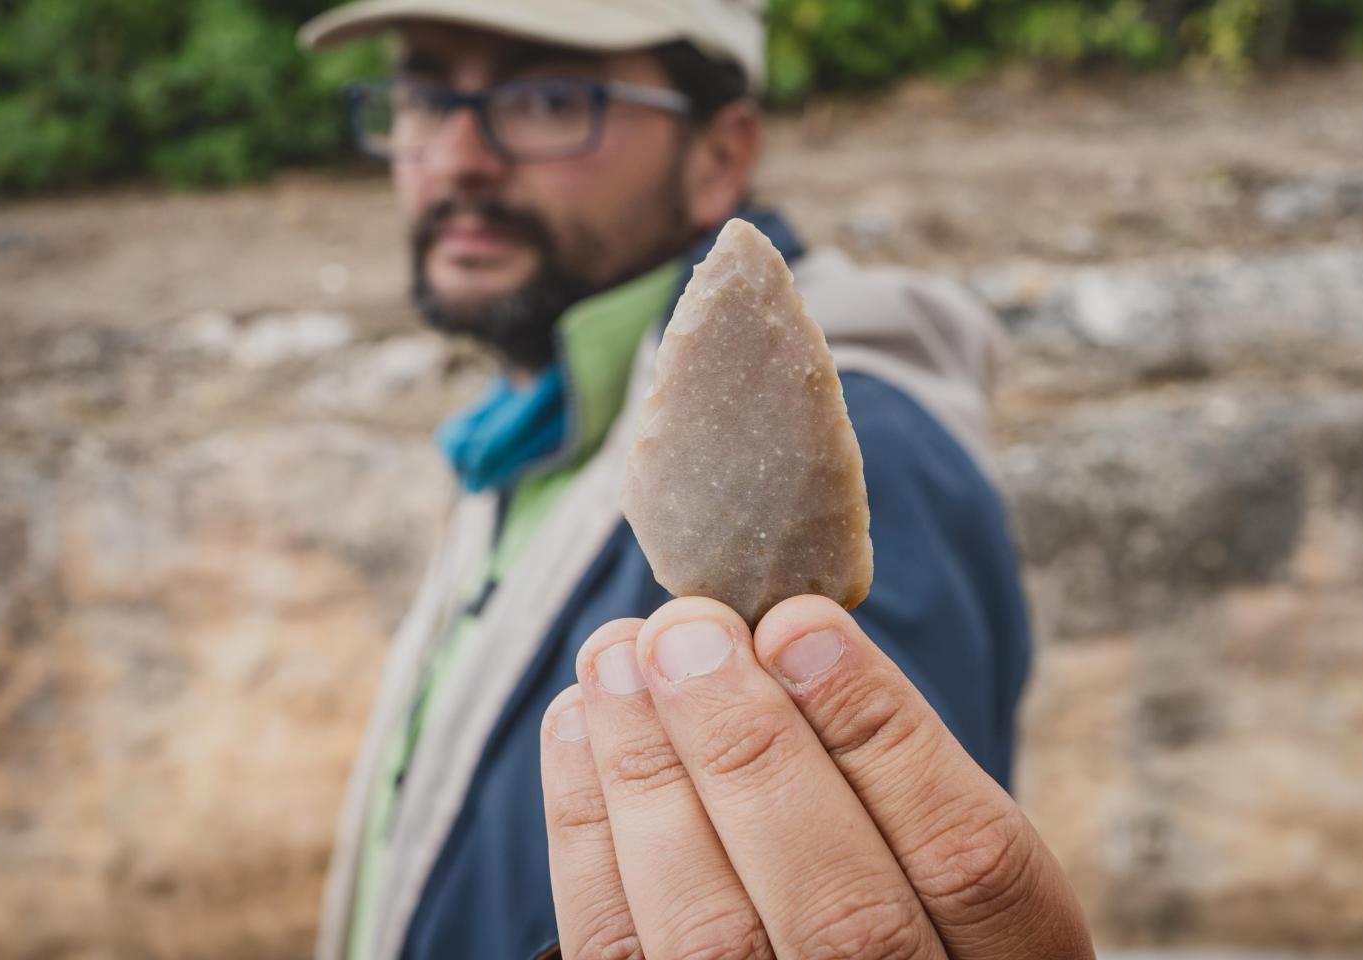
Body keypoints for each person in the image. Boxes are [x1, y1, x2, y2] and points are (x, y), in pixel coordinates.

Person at [297, 2, 1092, 958]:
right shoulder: (535, 433)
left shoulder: (853, 452)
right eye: (425, 96)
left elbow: (865, 912)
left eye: (550, 98)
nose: (458, 156)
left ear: (721, 153)